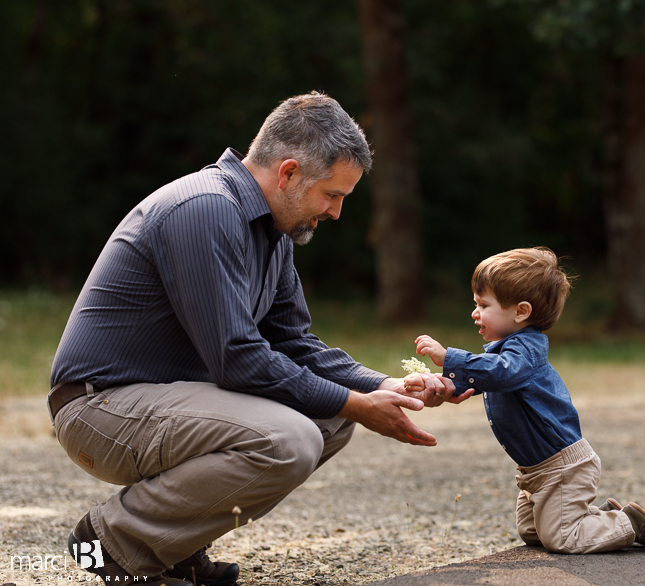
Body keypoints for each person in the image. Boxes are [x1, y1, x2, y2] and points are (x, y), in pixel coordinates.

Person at [49, 92, 466, 586]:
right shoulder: (205, 209)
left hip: (165, 404)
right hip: (101, 409)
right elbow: (237, 359)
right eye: (332, 195)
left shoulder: (272, 232)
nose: (336, 213)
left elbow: (294, 343)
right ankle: (111, 547)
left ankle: (173, 549)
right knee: (289, 439)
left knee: (327, 420)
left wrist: (380, 386)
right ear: (288, 172)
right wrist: (356, 402)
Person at [405, 247, 645, 554]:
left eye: (483, 304)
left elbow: (500, 374)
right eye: (475, 303)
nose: (474, 312)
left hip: (563, 467)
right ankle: (595, 516)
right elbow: (481, 378)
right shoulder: (502, 354)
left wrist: (448, 357)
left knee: (562, 539)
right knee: (531, 533)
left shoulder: (525, 352)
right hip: (536, 469)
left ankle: (628, 524)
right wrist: (439, 386)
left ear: (521, 311)